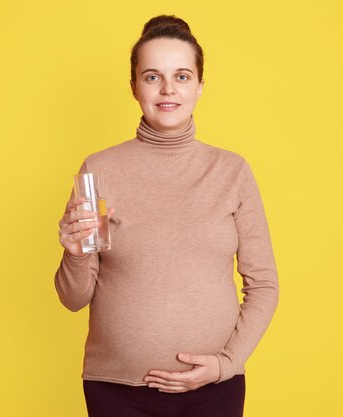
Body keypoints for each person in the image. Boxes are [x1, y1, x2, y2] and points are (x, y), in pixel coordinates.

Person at [55, 15, 279, 417]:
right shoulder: (99, 170)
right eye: (153, 77)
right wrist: (74, 254)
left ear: (200, 86)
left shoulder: (231, 171)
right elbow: (74, 299)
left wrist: (226, 364)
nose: (168, 89)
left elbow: (263, 285)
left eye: (182, 76)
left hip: (215, 388)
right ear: (134, 86)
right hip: (115, 390)